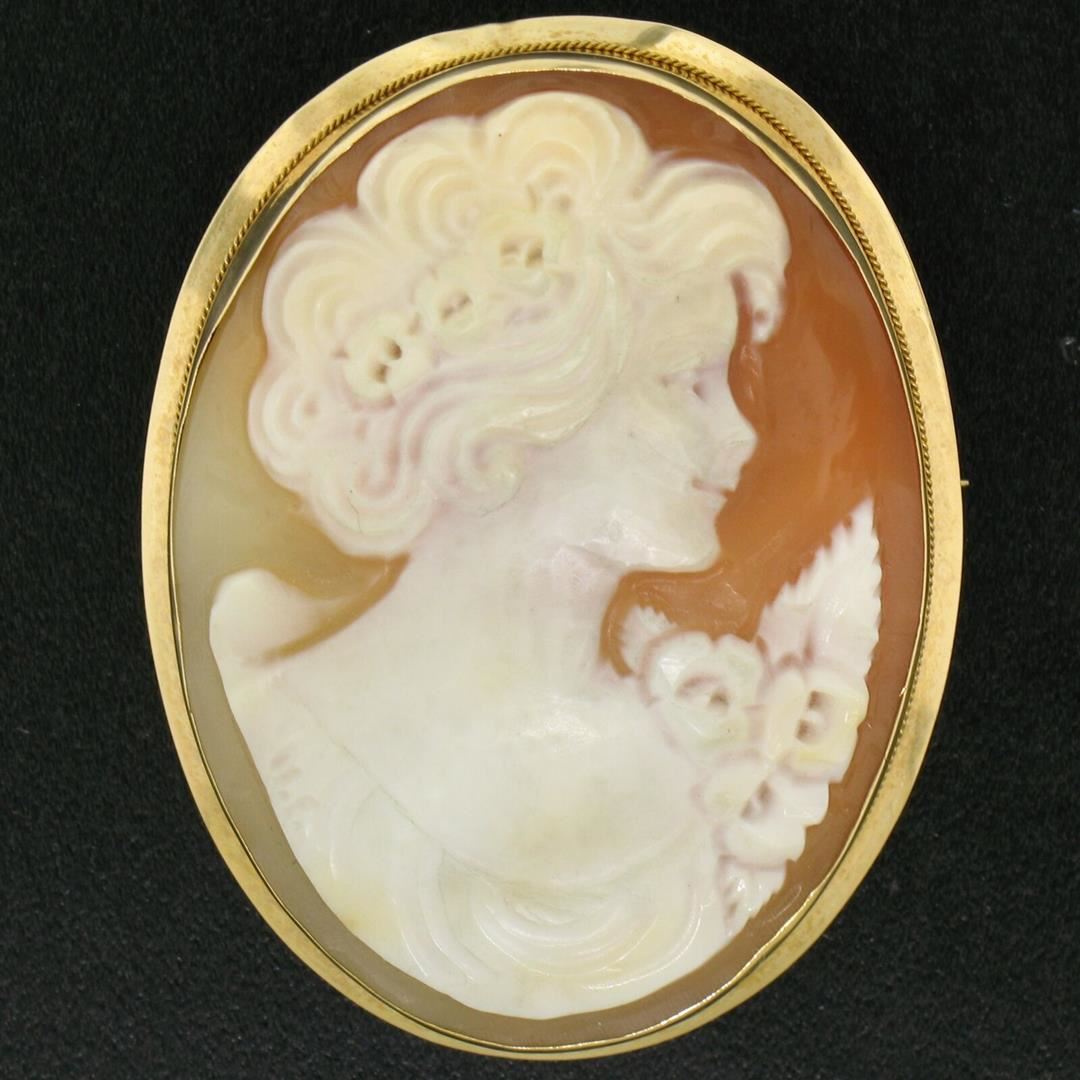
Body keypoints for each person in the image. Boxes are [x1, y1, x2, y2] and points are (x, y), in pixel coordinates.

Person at [211, 92, 881, 1018]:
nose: (741, 436)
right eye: (685, 382)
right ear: (515, 408)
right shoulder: (286, 724)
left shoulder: (713, 746)